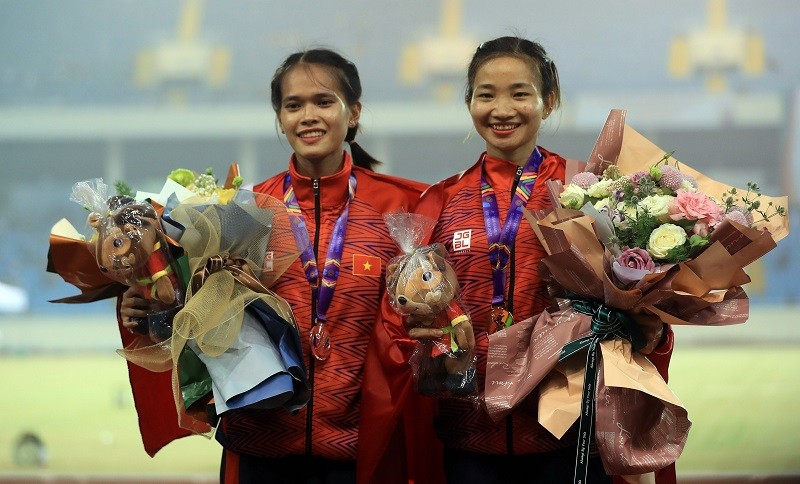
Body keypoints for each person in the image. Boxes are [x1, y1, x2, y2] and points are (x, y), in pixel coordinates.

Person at [120, 48, 442, 484]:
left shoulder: (403, 208)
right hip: (260, 445)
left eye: (323, 101)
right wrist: (149, 311)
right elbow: (189, 312)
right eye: (293, 105)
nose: (308, 115)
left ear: (353, 113)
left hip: (363, 450)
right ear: (280, 118)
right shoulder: (239, 211)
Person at [366, 36, 676, 483]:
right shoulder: (442, 200)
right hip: (469, 436)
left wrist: (646, 326)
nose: (501, 109)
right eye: (485, 94)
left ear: (548, 101)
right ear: (469, 102)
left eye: (520, 93)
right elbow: (407, 324)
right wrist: (428, 339)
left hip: (567, 430)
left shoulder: (585, 192)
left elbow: (639, 304)